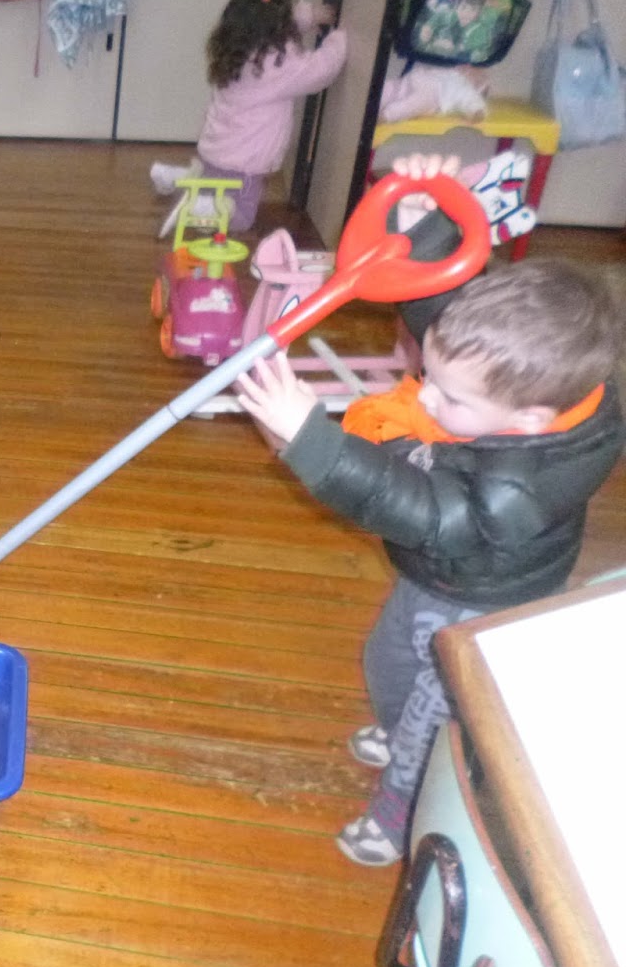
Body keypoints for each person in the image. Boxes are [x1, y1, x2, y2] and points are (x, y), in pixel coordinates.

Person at [234, 155, 625, 866]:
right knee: (388, 661)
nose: (426, 398)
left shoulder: (515, 490)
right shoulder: (518, 385)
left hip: (476, 595)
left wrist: (316, 441)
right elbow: (446, 316)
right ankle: (400, 734)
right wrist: (425, 230)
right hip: (435, 575)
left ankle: (401, 812)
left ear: (530, 421)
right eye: (430, 379)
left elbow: (426, 513)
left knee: (433, 710)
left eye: (450, 398)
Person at [151, 0, 348, 235]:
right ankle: (199, 207)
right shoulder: (277, 64)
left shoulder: (236, 50)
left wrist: (311, 15)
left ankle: (178, 178)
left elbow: (275, 20)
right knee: (241, 215)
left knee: (213, 183)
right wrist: (340, 39)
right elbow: (320, 69)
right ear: (280, 25)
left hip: (217, 151)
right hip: (243, 162)